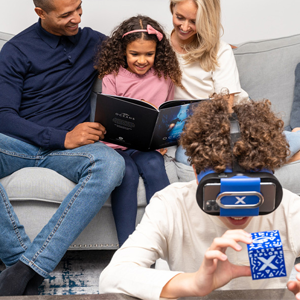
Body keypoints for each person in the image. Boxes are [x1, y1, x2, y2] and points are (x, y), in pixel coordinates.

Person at [99, 96, 300, 300]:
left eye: (251, 191)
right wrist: (194, 283)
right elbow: (112, 278)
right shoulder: (172, 205)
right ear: (196, 173)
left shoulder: (289, 209)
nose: (239, 206)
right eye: (224, 191)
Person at [0, 0, 125, 296]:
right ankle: (19, 261)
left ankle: (26, 269)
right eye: (66, 14)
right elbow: (4, 116)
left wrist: (207, 50)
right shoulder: (16, 50)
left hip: (70, 154)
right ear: (40, 13)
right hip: (21, 145)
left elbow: (141, 46)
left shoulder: (93, 41)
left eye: (79, 8)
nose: (77, 18)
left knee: (111, 164)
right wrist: (62, 137)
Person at [168, 0, 300, 165]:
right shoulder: (159, 47)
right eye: (179, 17)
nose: (185, 27)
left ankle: (292, 140)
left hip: (231, 117)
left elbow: (226, 107)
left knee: (249, 151)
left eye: (194, 21)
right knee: (185, 158)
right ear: (172, 8)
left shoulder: (219, 50)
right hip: (191, 127)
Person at [94, 15, 183, 247]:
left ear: (158, 52)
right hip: (118, 145)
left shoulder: (165, 77)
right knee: (127, 173)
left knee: (154, 164)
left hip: (146, 144)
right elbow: (110, 115)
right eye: (135, 54)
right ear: (123, 51)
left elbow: (166, 114)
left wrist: (162, 138)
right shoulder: (113, 76)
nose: (142, 60)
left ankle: (164, 240)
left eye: (149, 54)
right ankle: (127, 248)